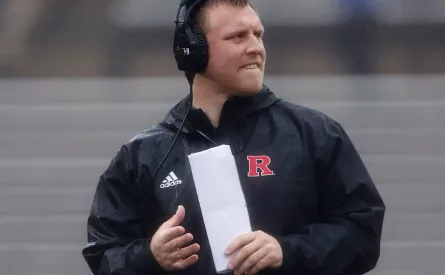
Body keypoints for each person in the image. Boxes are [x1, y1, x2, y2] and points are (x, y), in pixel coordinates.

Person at [81, 0, 386, 274]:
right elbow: (104, 252)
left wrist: (287, 250)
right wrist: (149, 256)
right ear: (194, 50)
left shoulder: (315, 134)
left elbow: (363, 233)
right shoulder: (141, 156)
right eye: (238, 37)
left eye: (258, 34)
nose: (256, 47)